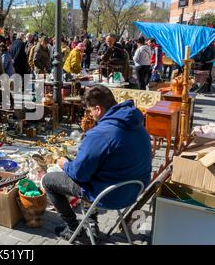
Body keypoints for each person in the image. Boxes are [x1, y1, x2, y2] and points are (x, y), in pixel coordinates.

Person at [42, 85, 152, 240]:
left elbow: (79, 174)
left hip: (110, 195)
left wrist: (65, 164)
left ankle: (73, 229)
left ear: (98, 109)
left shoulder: (100, 134)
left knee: (49, 180)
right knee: (92, 170)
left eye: (90, 110)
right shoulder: (137, 124)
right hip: (134, 190)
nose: (90, 115)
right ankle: (92, 222)